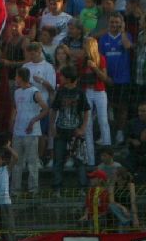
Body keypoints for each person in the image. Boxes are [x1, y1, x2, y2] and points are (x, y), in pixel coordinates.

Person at [10, 66, 49, 196]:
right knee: (16, 162)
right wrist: (12, 123)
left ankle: (33, 189)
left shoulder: (35, 92)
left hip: (31, 133)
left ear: (20, 77)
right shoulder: (17, 92)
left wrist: (33, 121)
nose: (15, 79)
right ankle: (15, 189)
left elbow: (45, 109)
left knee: (32, 161)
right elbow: (16, 109)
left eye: (16, 76)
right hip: (18, 131)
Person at [50, 66, 91, 193]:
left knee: (79, 161)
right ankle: (57, 187)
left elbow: (86, 111)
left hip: (75, 131)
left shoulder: (80, 92)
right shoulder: (60, 92)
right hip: (61, 130)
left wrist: (83, 128)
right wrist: (52, 126)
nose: (60, 78)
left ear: (67, 78)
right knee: (58, 160)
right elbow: (54, 109)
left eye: (62, 76)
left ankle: (83, 187)